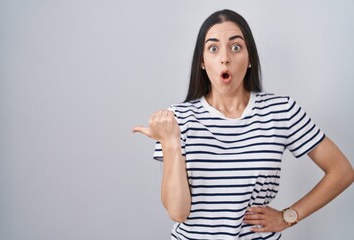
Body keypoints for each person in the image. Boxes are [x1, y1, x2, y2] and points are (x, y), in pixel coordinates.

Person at [132, 9, 354, 240]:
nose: (225, 57)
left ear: (249, 59)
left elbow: (342, 171)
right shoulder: (177, 118)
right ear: (202, 62)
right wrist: (170, 142)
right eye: (213, 48)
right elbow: (177, 213)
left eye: (236, 47)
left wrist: (290, 216)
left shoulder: (281, 110)